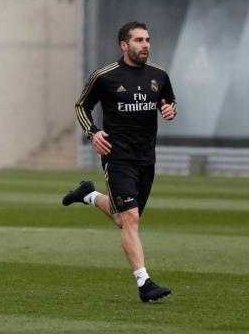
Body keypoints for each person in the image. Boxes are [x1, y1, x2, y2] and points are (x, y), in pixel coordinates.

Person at [62, 22, 177, 302]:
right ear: (124, 45)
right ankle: (144, 284)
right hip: (117, 157)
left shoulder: (159, 75)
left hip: (146, 158)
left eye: (148, 39)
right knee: (131, 219)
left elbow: (170, 101)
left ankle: (89, 195)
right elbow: (81, 105)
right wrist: (93, 132)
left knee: (124, 220)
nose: (145, 44)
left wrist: (169, 108)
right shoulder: (105, 76)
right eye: (138, 40)